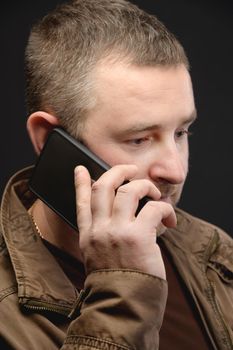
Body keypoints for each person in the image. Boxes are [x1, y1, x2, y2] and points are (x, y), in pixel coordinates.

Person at [0, 0, 232, 349]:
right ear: (49, 141)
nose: (176, 169)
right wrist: (121, 286)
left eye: (181, 132)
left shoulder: (216, 253)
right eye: (139, 139)